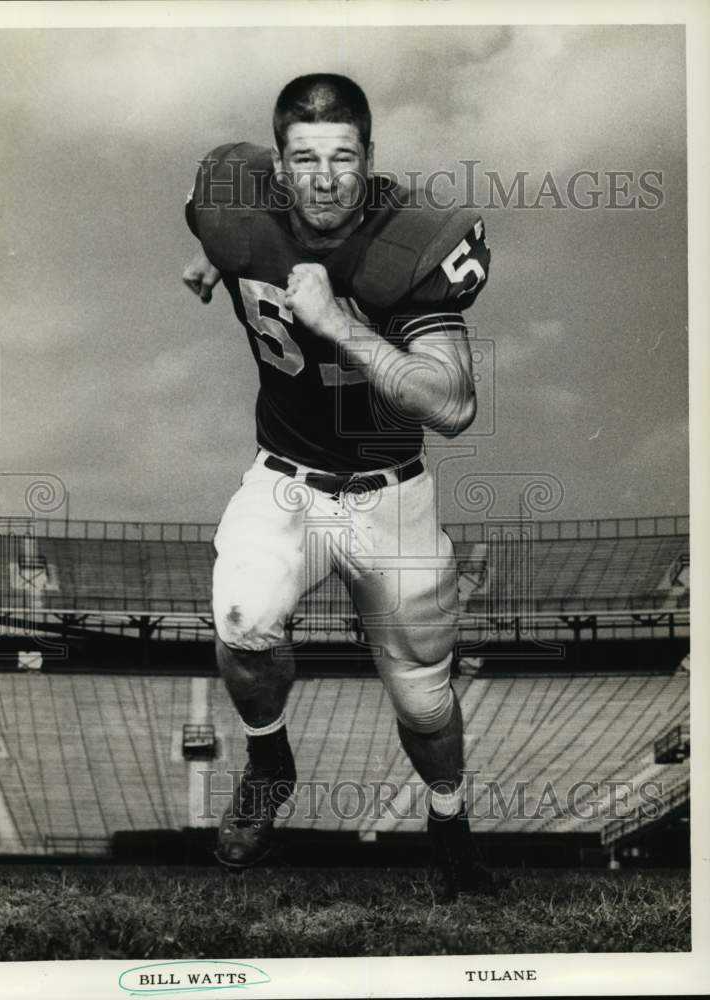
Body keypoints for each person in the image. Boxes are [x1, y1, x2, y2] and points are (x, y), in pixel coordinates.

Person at [183, 74, 493, 897]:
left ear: (369, 160)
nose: (324, 180)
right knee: (242, 622)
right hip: (286, 483)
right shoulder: (230, 195)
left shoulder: (414, 240)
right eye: (305, 159)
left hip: (393, 495)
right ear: (279, 166)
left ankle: (450, 818)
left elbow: (454, 403)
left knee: (425, 702)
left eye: (343, 159)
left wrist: (339, 323)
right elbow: (225, 229)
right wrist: (216, 262)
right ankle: (269, 757)